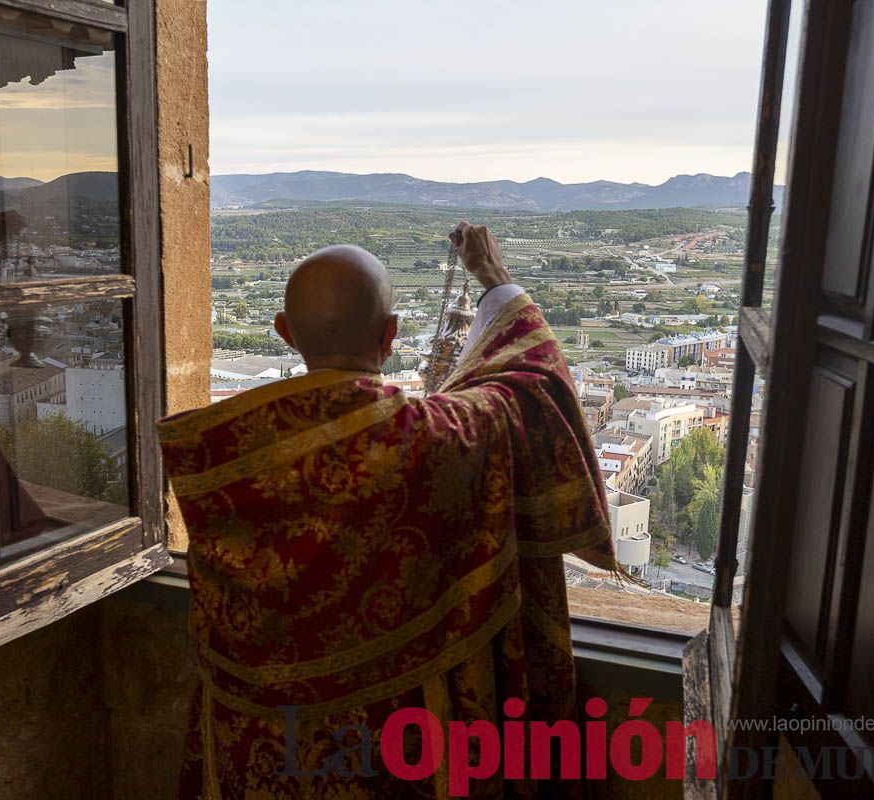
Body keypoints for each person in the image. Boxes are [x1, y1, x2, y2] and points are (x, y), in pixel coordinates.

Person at [159, 222, 620, 798]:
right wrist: (494, 278)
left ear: (284, 334)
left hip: (260, 745)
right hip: (400, 743)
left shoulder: (220, 452)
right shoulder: (440, 438)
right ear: (392, 335)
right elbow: (531, 386)